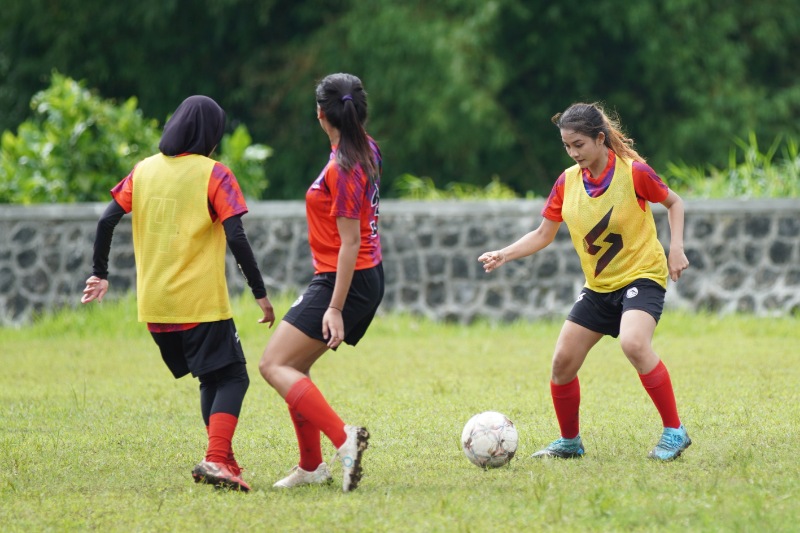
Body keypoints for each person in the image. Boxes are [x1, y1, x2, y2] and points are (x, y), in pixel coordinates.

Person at [80, 95, 275, 491]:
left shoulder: (143, 171)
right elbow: (236, 235)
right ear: (210, 136)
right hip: (200, 304)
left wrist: (100, 273)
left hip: (156, 307)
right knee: (234, 376)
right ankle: (216, 458)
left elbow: (106, 220)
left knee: (210, 378)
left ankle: (225, 462)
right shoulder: (215, 174)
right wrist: (260, 292)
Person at [478, 102, 691, 461]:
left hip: (642, 275)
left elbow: (675, 203)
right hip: (598, 286)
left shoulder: (634, 173)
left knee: (634, 343)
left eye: (579, 144)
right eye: (567, 146)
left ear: (600, 138)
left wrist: (676, 249)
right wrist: (504, 254)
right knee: (562, 362)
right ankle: (570, 442)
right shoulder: (567, 182)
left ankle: (675, 431)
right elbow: (543, 233)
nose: (573, 152)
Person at [258, 73, 383, 492]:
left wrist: (334, 307)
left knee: (273, 364)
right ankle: (311, 466)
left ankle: (343, 439)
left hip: (345, 279)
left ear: (320, 114)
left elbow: (351, 242)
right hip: (356, 275)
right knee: (294, 366)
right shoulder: (365, 148)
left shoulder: (345, 165)